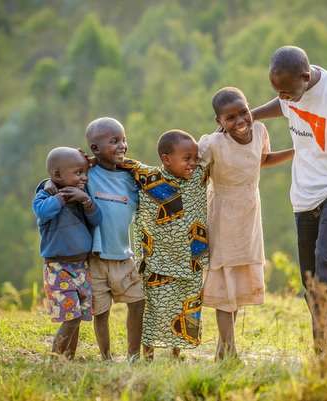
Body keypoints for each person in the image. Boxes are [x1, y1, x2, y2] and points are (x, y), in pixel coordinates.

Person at [251, 45, 327, 354]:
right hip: (305, 193)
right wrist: (249, 115)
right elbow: (281, 106)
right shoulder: (290, 92)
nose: (284, 98)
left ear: (306, 78)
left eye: (289, 92)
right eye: (278, 92)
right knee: (309, 278)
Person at [198, 87, 294, 360]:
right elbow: (191, 170)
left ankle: (223, 349)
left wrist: (296, 151)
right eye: (230, 118)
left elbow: (262, 160)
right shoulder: (213, 144)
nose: (240, 121)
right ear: (219, 122)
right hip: (221, 215)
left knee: (237, 281)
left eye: (244, 112)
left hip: (249, 213)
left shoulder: (261, 132)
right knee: (224, 280)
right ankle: (228, 351)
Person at [42, 117, 145, 362]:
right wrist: (48, 182)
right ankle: (106, 357)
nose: (122, 145)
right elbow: (61, 174)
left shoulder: (133, 178)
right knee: (101, 311)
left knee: (138, 302)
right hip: (96, 257)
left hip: (124, 255)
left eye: (124, 139)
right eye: (115, 141)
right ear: (95, 149)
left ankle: (133, 355)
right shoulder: (87, 173)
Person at [119, 130, 209, 361]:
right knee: (155, 310)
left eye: (195, 157)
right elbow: (121, 162)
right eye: (186, 157)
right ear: (166, 159)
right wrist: (87, 161)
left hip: (191, 261)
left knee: (185, 308)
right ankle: (147, 355)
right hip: (157, 261)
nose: (192, 163)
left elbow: (225, 154)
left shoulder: (200, 175)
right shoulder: (148, 178)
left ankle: (175, 353)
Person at [33, 147, 102, 359]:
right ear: (57, 176)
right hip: (58, 268)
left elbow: (97, 219)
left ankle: (68, 359)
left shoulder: (81, 196)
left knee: (77, 315)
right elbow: (42, 211)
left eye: (85, 172)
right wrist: (62, 196)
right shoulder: (46, 196)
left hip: (81, 266)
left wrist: (85, 200)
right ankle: (55, 359)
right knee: (70, 317)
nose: (84, 178)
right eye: (78, 173)